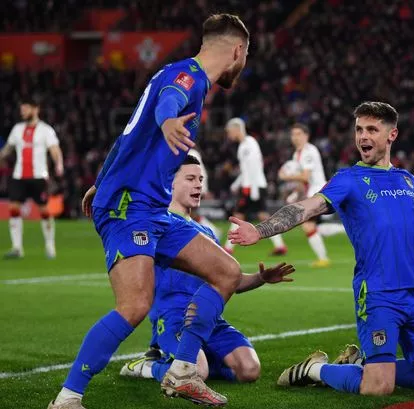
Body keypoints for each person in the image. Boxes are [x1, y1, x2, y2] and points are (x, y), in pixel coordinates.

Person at [228, 101, 414, 396]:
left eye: (372, 130)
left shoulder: (406, 179)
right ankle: (314, 369)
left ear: (391, 135)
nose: (363, 137)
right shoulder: (348, 180)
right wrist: (261, 230)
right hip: (378, 294)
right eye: (358, 130)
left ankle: (362, 363)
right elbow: (305, 208)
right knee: (378, 387)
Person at [49, 14, 251, 409]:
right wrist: (169, 121)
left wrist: (100, 178)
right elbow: (167, 103)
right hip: (130, 207)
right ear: (237, 51)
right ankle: (68, 398)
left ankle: (181, 373)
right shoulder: (187, 79)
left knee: (226, 271)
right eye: (246, 57)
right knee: (135, 305)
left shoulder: (176, 73)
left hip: (151, 207)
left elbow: (128, 131)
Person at [120, 155, 294, 384]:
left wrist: (260, 278)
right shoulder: (157, 225)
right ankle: (148, 366)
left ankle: (202, 361)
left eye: (200, 179)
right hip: (173, 319)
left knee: (249, 370)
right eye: (190, 178)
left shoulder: (206, 233)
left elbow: (230, 280)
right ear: (169, 183)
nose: (198, 184)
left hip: (209, 319)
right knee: (195, 372)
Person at [0, 96, 64, 259]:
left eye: (25, 109)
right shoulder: (17, 129)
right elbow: (8, 149)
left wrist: (59, 164)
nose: (22, 112)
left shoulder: (46, 130)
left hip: (38, 176)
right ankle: (17, 248)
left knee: (43, 210)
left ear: (35, 109)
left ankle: (50, 246)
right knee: (13, 208)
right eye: (21, 109)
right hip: (18, 176)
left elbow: (55, 149)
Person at [278, 123, 345, 267]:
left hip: (318, 191)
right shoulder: (297, 154)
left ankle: (323, 259)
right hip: (311, 192)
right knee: (314, 227)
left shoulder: (309, 151)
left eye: (298, 134)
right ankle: (341, 230)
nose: (295, 137)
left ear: (306, 136)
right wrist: (296, 193)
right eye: (293, 134)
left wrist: (285, 176)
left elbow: (305, 176)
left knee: (308, 225)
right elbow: (303, 181)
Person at [223, 117, 287, 256]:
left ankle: (228, 248)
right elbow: (246, 169)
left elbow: (254, 167)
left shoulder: (249, 144)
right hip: (253, 185)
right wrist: (237, 183)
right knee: (263, 216)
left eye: (229, 131)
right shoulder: (243, 145)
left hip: (253, 186)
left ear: (236, 129)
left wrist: (253, 189)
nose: (229, 135)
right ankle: (280, 246)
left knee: (238, 215)